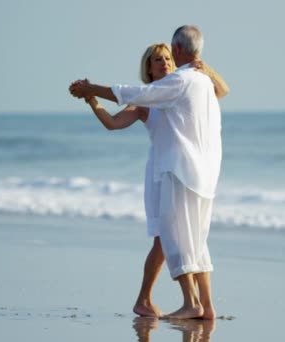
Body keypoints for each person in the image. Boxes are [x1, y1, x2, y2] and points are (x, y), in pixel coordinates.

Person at [70, 25, 227, 320]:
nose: (165, 63)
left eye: (168, 57)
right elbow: (114, 123)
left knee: (173, 239)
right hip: (164, 173)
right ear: (149, 68)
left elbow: (222, 90)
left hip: (179, 172)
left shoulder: (185, 85)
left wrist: (204, 67)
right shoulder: (152, 97)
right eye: (158, 60)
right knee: (170, 239)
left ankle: (181, 303)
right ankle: (172, 302)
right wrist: (92, 100)